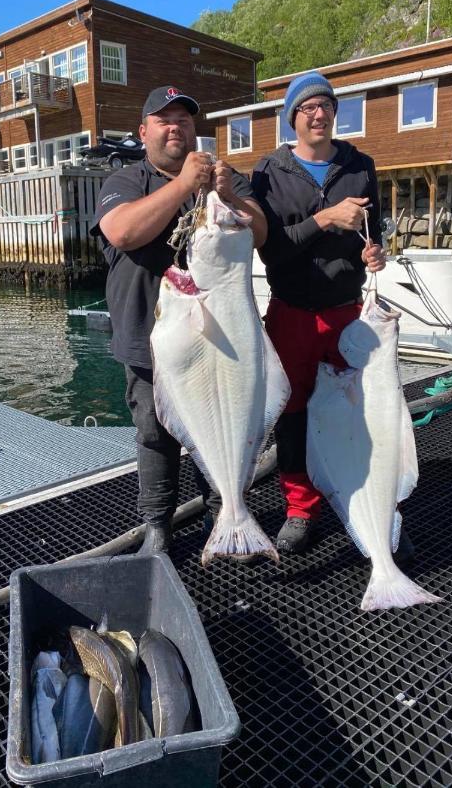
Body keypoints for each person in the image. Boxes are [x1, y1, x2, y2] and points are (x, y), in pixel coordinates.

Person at [91, 86, 267, 554]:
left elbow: (262, 231)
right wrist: (185, 185)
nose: (175, 128)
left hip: (222, 336)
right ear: (143, 131)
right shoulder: (125, 182)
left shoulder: (223, 180)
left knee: (226, 423)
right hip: (150, 340)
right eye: (164, 120)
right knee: (154, 434)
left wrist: (227, 194)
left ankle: (225, 513)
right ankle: (157, 528)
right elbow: (123, 231)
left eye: (184, 120)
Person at [253, 71, 413, 559]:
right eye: (307, 108)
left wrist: (375, 254)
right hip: (292, 313)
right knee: (293, 415)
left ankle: (366, 506)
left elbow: (372, 229)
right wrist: (325, 219)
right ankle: (301, 509)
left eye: (326, 105)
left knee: (363, 416)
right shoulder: (269, 172)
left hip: (348, 312)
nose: (318, 114)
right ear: (292, 118)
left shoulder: (360, 165)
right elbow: (271, 253)